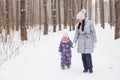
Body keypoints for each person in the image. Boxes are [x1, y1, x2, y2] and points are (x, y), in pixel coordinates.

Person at [73, 9, 97, 73]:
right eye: (78, 19)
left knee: (88, 55)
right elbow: (76, 34)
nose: (78, 20)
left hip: (88, 41)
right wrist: (74, 42)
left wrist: (95, 41)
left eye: (79, 19)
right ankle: (85, 67)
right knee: (83, 56)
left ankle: (90, 68)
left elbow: (93, 32)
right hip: (81, 41)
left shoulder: (90, 23)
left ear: (82, 18)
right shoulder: (78, 25)